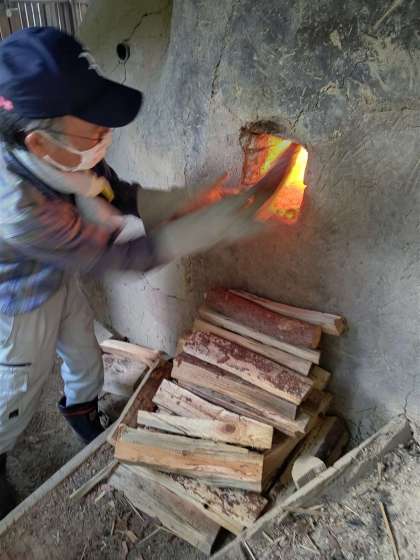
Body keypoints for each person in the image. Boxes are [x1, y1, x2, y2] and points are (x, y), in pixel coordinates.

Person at [0, 26, 272, 520]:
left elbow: (113, 191)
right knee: (16, 387)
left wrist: (180, 201)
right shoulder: (17, 207)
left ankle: (82, 412)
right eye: (94, 131)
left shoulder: (63, 155)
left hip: (57, 272)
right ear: (39, 143)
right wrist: (205, 228)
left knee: (83, 349)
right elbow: (116, 258)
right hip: (17, 301)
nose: (104, 138)